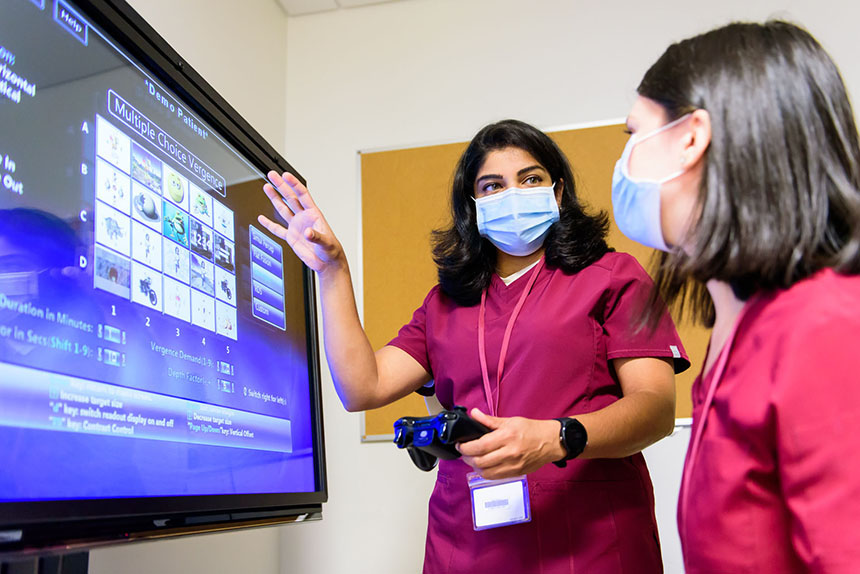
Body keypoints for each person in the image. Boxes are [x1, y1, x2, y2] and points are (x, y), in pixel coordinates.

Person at [260, 119, 690, 573]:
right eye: (492, 186)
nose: (513, 194)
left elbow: (655, 408)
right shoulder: (445, 303)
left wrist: (556, 438)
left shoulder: (613, 276)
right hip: (466, 545)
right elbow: (362, 387)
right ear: (474, 204)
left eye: (530, 179)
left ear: (557, 192)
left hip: (590, 543)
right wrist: (333, 270)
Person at [613, 20, 860, 573]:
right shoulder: (741, 331)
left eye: (633, 135)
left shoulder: (825, 327)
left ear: (692, 138)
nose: (624, 163)